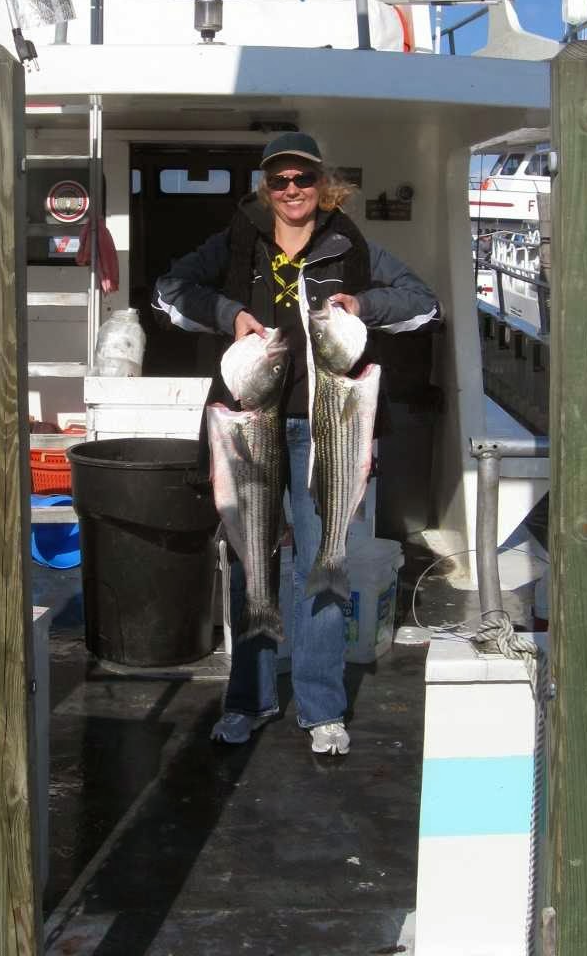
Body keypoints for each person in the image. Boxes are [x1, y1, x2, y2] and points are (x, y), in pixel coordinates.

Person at [152, 132, 440, 755]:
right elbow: (171, 290)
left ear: (320, 182)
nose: (291, 191)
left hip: (325, 428)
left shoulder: (349, 244)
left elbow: (422, 303)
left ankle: (321, 707)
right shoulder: (236, 238)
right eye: (279, 181)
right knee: (251, 561)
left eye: (302, 180)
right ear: (265, 186)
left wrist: (361, 301)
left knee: (323, 562)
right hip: (247, 424)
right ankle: (249, 699)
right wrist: (229, 314)